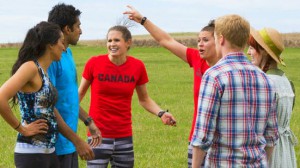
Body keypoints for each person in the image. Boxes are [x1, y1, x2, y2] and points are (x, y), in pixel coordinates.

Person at [123, 5, 219, 167]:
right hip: (197, 139)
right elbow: (166, 41)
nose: (200, 44)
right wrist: (142, 20)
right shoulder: (197, 59)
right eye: (198, 40)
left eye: (206, 40)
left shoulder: (229, 69)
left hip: (222, 143)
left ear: (219, 41)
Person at [78, 24, 177, 168]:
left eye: (116, 40)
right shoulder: (94, 63)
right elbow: (79, 95)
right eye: (109, 40)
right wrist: (66, 118)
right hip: (97, 135)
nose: (112, 44)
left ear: (128, 42)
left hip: (124, 136)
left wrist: (161, 113)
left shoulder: (137, 66)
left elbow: (144, 99)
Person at [0, 21, 94, 168]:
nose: (64, 48)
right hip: (32, 154)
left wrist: (77, 140)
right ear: (50, 44)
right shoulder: (30, 68)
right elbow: (1, 97)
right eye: (61, 43)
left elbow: (51, 112)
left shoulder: (44, 72)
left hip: (48, 153)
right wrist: (22, 128)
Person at [191, 14, 279, 167]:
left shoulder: (214, 76)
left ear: (221, 39)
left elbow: (202, 136)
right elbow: (271, 137)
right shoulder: (266, 80)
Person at [47, 3, 101, 168]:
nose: (81, 31)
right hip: (56, 145)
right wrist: (77, 141)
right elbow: (48, 104)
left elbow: (68, 97)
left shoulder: (67, 53)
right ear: (67, 29)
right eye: (78, 26)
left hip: (69, 143)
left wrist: (87, 120)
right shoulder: (51, 58)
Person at [247, 27, 298, 168]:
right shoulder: (287, 82)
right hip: (285, 151)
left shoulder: (264, 83)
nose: (248, 52)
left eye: (252, 48)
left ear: (263, 51)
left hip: (268, 151)